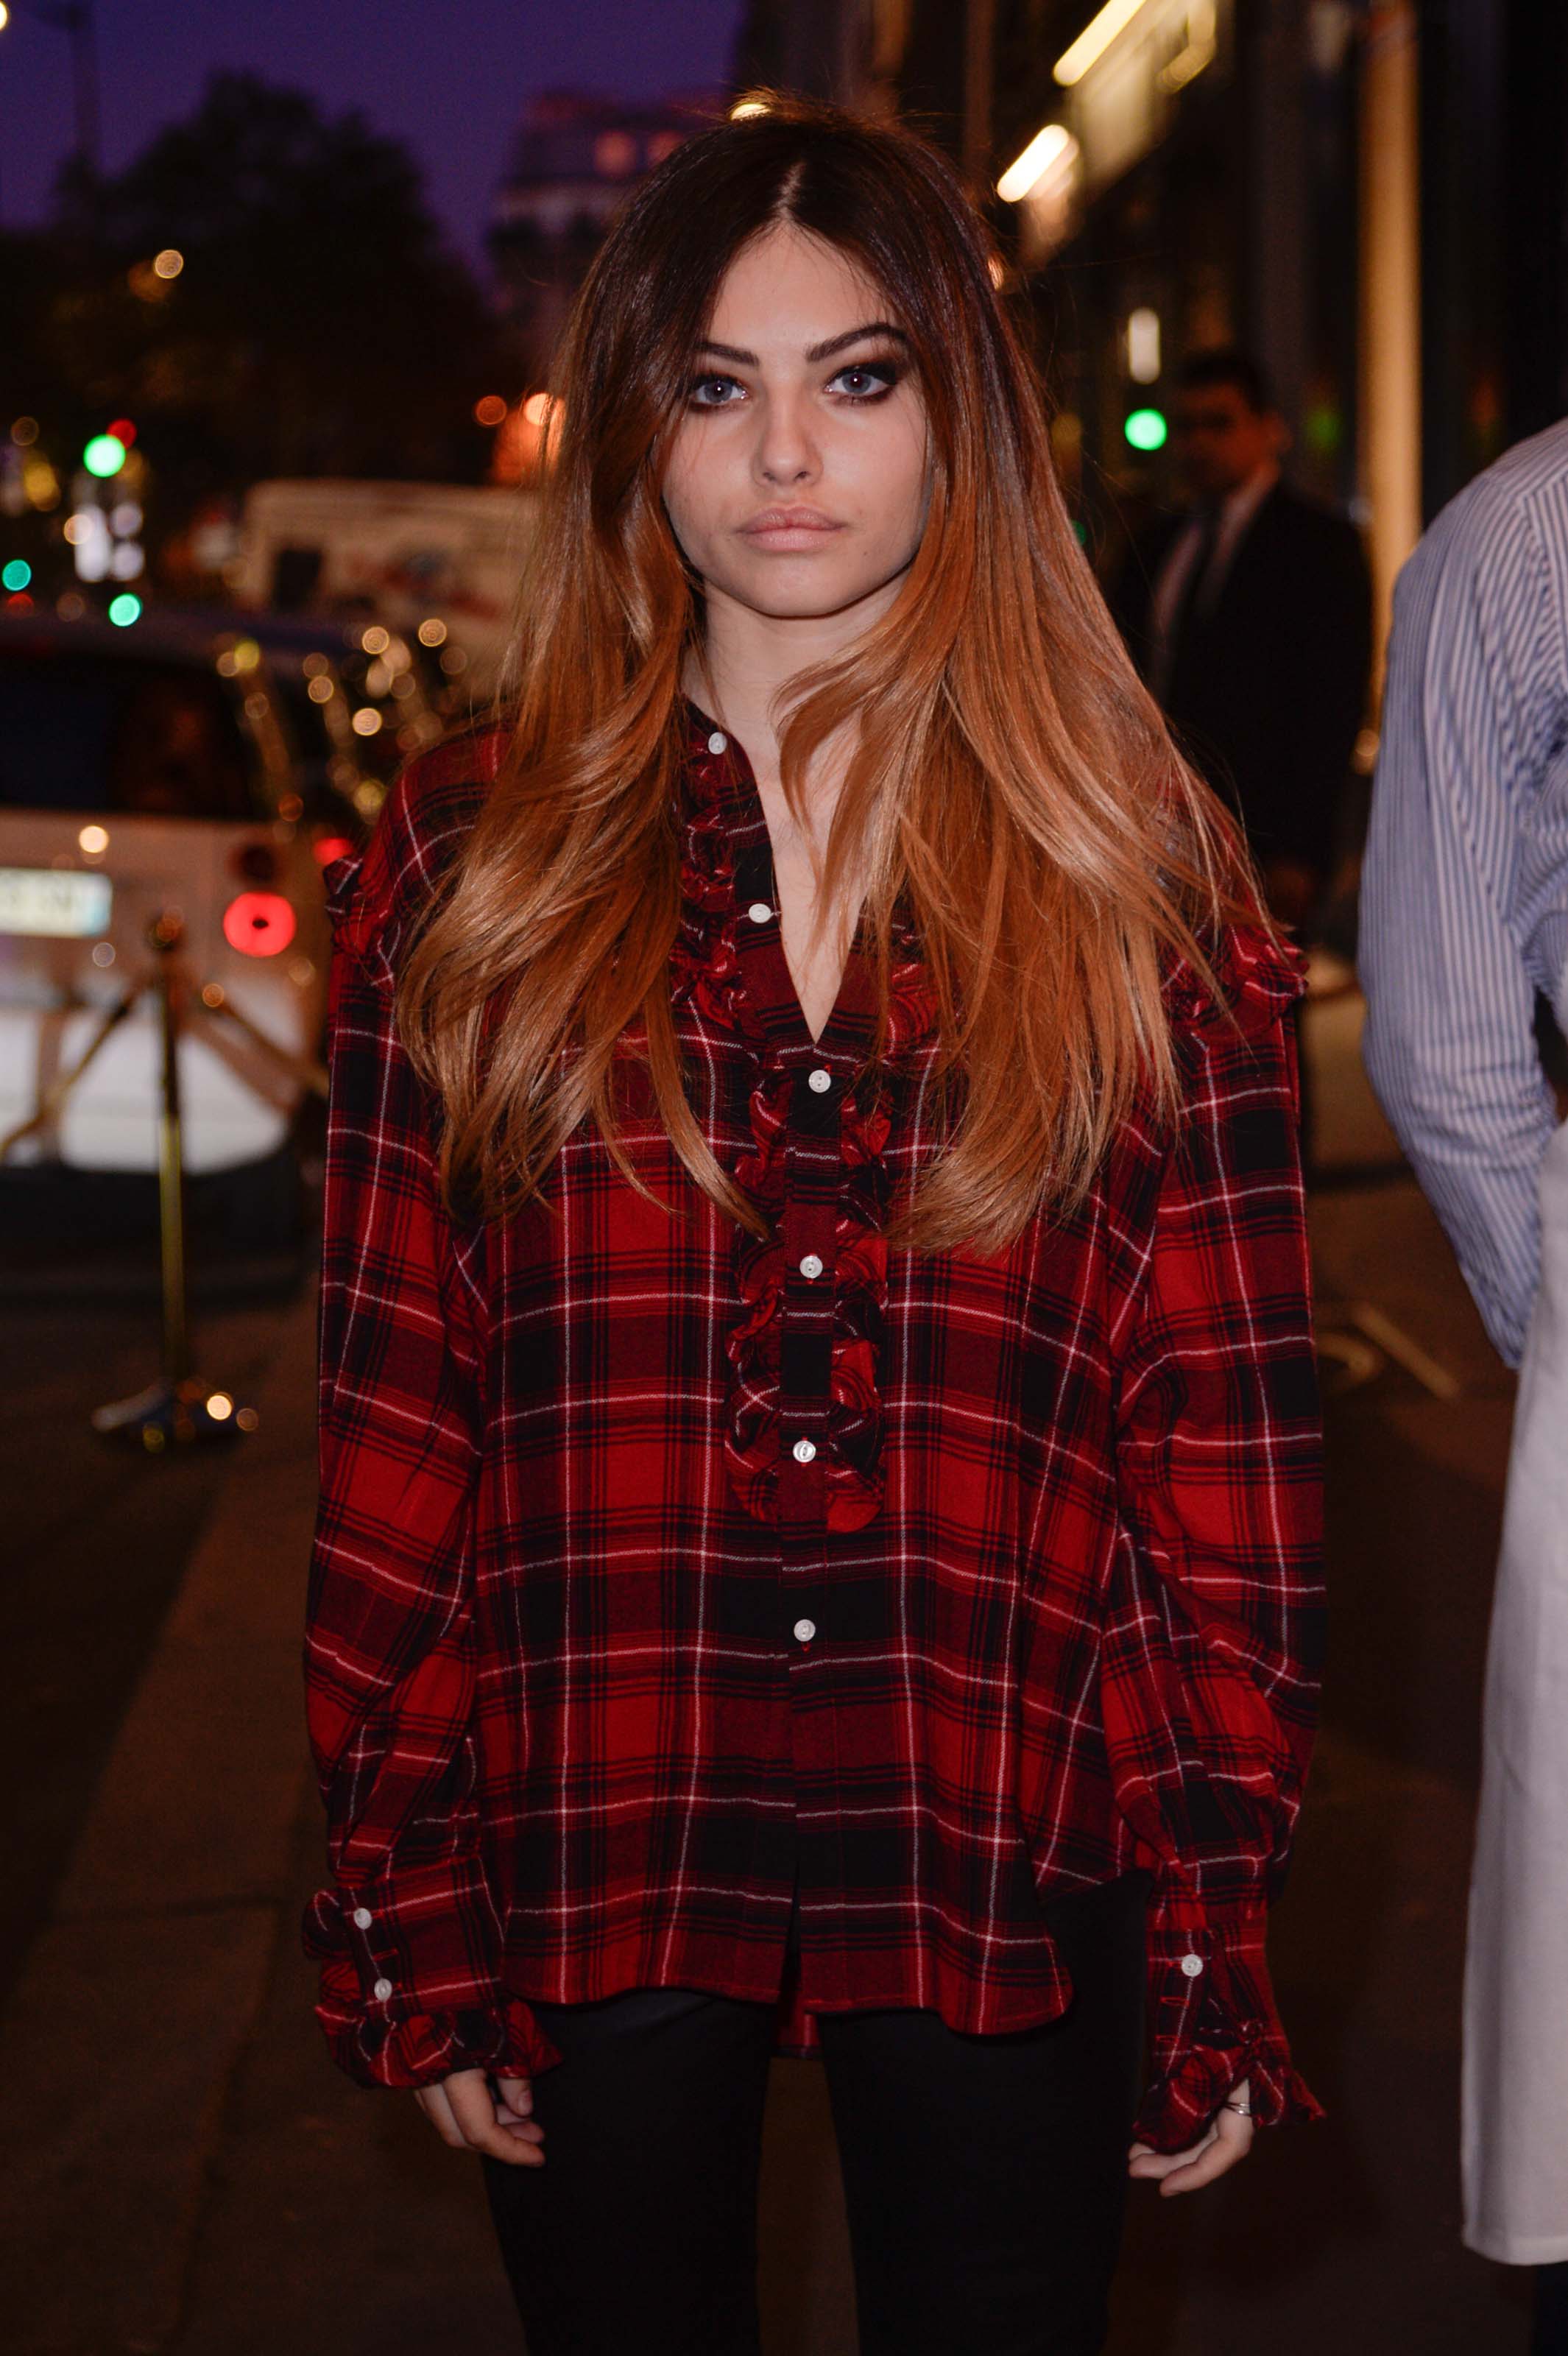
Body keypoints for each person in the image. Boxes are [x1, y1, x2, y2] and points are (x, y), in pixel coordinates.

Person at [303, 99, 1325, 2356]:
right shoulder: (472, 857)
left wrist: (1202, 1905)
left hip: (999, 1815)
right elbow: (399, 1405)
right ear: (632, 432)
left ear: (959, 414)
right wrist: (403, 1861)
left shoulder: (1128, 865)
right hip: (592, 1810)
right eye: (715, 383)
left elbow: (1219, 1459)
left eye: (856, 378)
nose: (786, 454)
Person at [1360, 419, 1568, 2349]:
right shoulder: (1525, 535)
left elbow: (1439, 1025)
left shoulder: (1527, 529)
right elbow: (1433, 1035)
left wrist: (1557, 1310)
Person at [1111, 348, 1373, 938]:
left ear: (1268, 428)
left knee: (1263, 1014)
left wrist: (1302, 851)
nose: (1199, 443)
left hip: (1263, 836)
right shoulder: (1155, 545)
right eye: (1187, 427)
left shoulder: (1321, 546)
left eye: (1219, 423)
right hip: (1155, 830)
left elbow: (1331, 703)